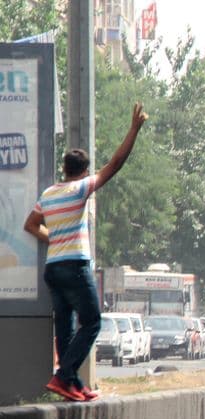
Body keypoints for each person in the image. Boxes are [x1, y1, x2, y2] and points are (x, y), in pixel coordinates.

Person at [23, 103, 148, 402]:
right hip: (75, 266)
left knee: (65, 330)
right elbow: (116, 163)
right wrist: (134, 129)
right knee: (92, 321)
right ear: (84, 172)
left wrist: (53, 238)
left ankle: (73, 385)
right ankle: (64, 376)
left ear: (64, 169)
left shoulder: (48, 193)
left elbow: (30, 225)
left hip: (53, 268)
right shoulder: (80, 189)